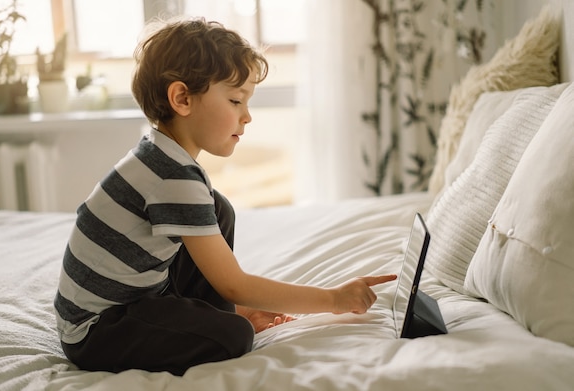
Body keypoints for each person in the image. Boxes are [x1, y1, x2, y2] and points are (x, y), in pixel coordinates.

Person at [53, 17, 397, 376]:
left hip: (133, 298)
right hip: (98, 330)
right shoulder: (172, 176)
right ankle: (214, 317)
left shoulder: (160, 156)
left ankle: (207, 312)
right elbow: (233, 283)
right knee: (234, 336)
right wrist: (333, 299)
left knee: (217, 210)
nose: (246, 117)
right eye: (235, 100)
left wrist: (228, 304)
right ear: (182, 98)